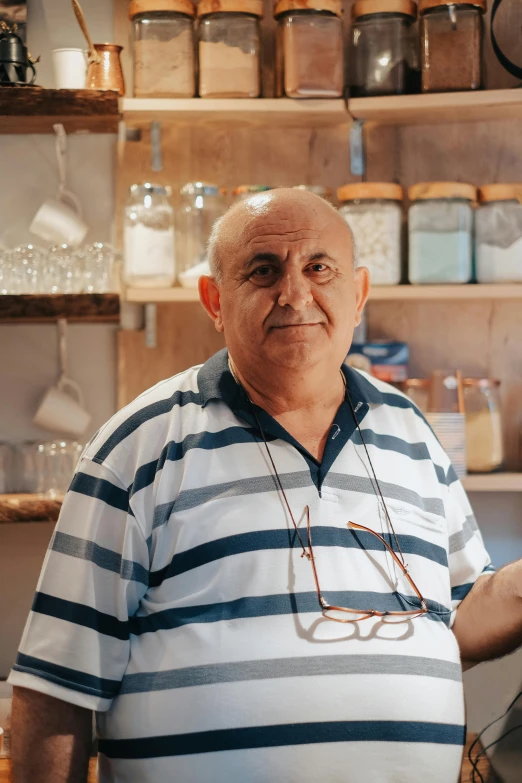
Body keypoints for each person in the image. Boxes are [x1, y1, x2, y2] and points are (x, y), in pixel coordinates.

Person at [9, 189, 522, 783]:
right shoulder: (139, 446)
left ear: (356, 295)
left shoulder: (411, 433)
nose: (295, 293)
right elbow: (56, 686)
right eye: (263, 270)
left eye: (318, 268)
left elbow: (457, 614)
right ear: (214, 301)